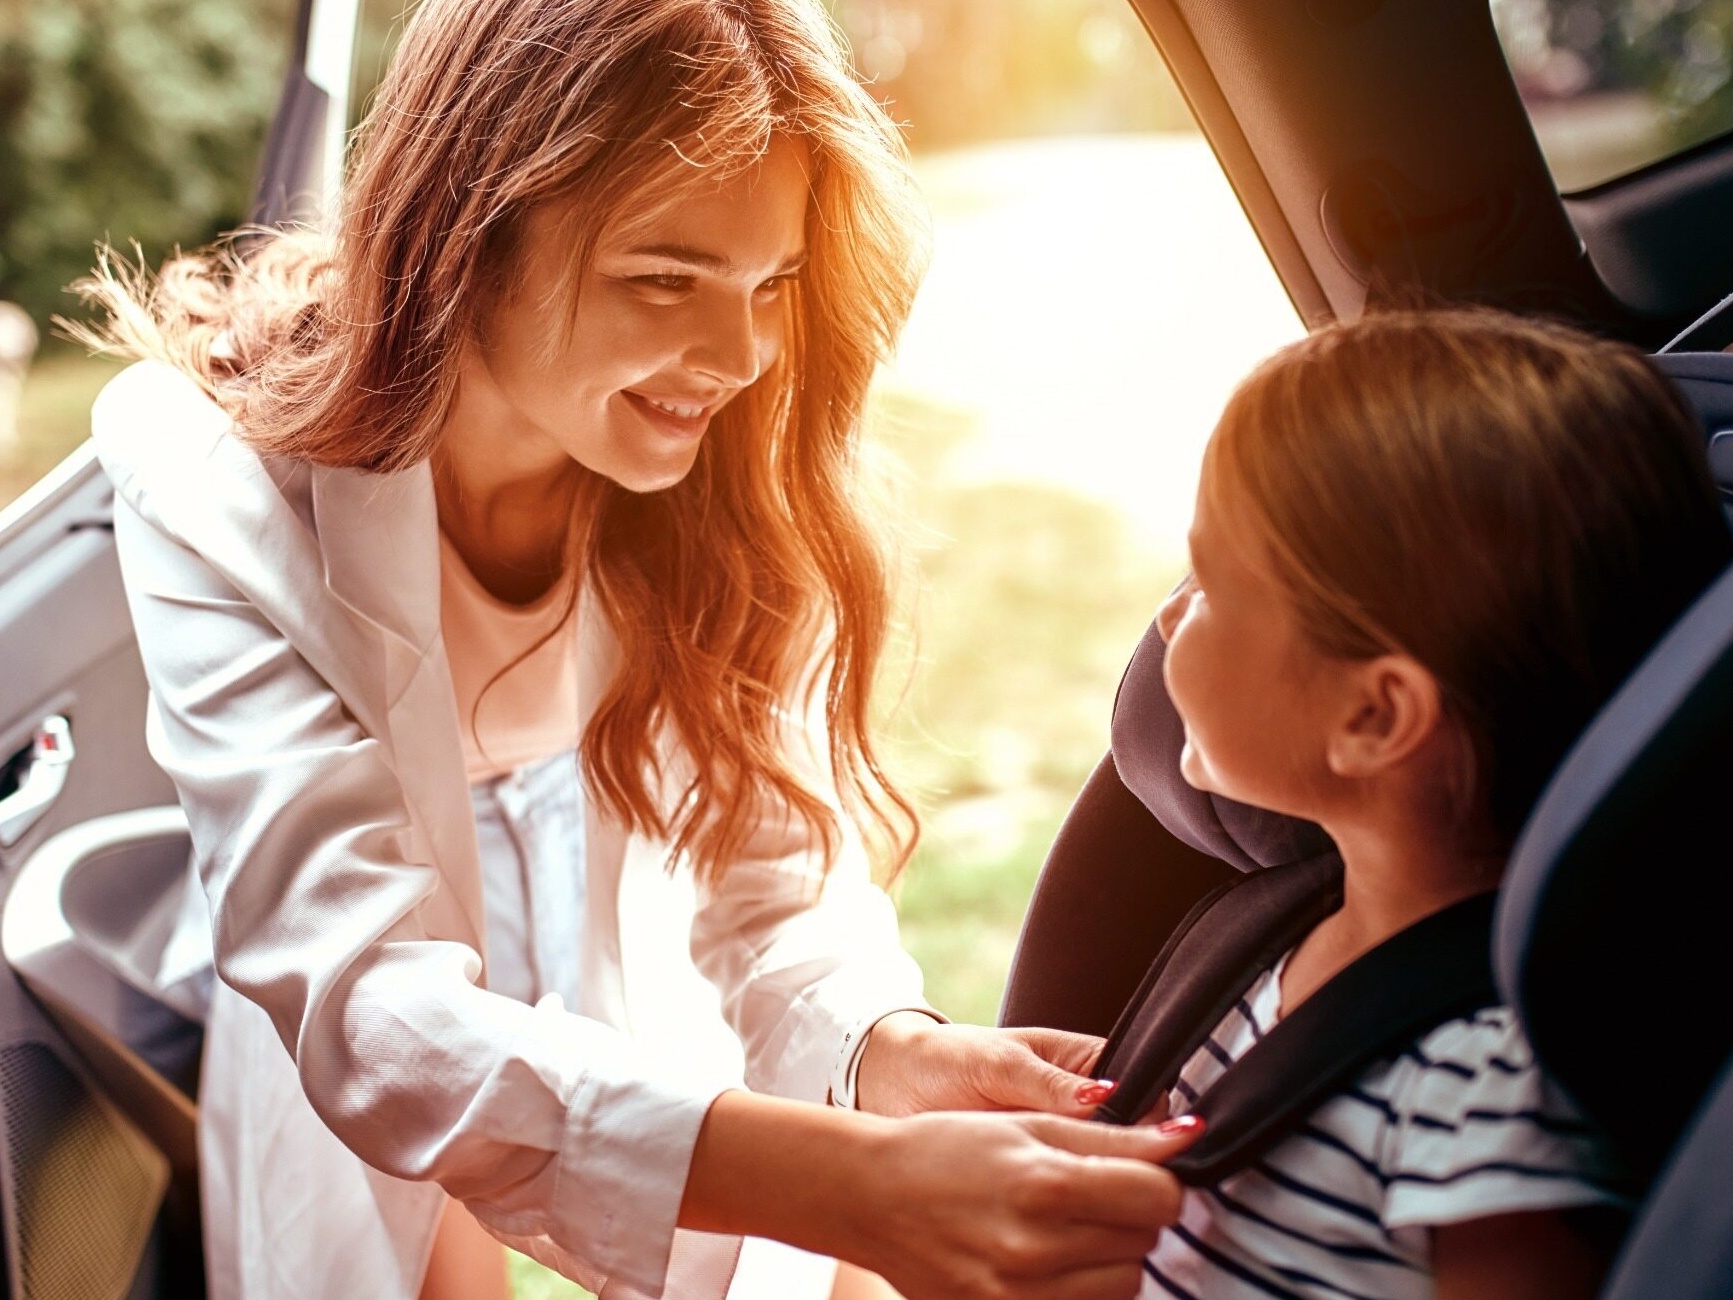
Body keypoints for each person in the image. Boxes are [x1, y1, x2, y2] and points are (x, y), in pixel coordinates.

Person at [71, 2, 1199, 1298]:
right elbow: (371, 1001)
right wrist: (856, 1185)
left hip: (622, 896)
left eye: (768, 284)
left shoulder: (727, 484)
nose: (739, 358)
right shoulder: (211, 479)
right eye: (664, 279)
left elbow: (771, 882)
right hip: (369, 979)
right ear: (468, 236)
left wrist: (885, 1053)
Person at [1142, 308, 1731, 1299]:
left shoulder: (1483, 1097)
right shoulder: (1270, 932)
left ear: (1373, 716)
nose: (1164, 615)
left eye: (1203, 581)